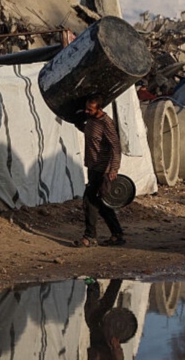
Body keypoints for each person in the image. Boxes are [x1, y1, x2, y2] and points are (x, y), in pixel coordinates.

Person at [75, 96, 124, 248]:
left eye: (90, 109)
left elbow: (116, 147)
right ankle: (117, 235)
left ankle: (90, 237)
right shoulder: (91, 120)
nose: (87, 111)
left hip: (102, 169)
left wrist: (113, 169)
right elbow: (89, 132)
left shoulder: (106, 123)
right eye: (86, 108)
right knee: (102, 204)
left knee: (89, 201)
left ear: (99, 109)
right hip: (92, 166)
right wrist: (77, 123)